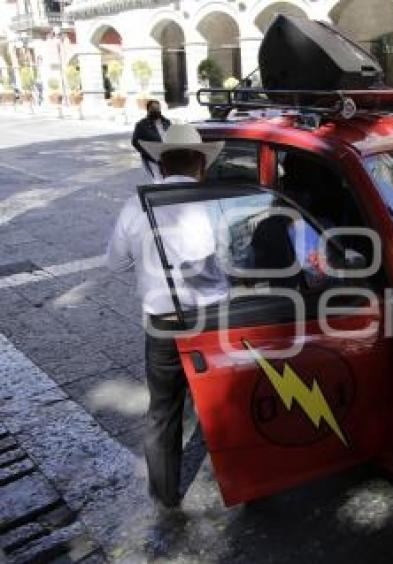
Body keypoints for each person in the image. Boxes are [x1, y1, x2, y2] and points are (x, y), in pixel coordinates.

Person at [106, 124, 226, 510]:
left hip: (161, 321)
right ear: (198, 163)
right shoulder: (213, 203)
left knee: (163, 409)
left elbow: (115, 263)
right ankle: (241, 479)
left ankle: (164, 493)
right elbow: (236, 260)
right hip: (211, 320)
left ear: (162, 161)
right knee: (223, 401)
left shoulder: (135, 204)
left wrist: (150, 267)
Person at [132, 100, 172, 181]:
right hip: (151, 158)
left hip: (167, 156)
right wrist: (147, 152)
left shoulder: (167, 122)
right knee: (157, 180)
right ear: (148, 110)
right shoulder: (141, 125)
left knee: (168, 179)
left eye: (158, 108)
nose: (156, 110)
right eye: (153, 108)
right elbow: (135, 142)